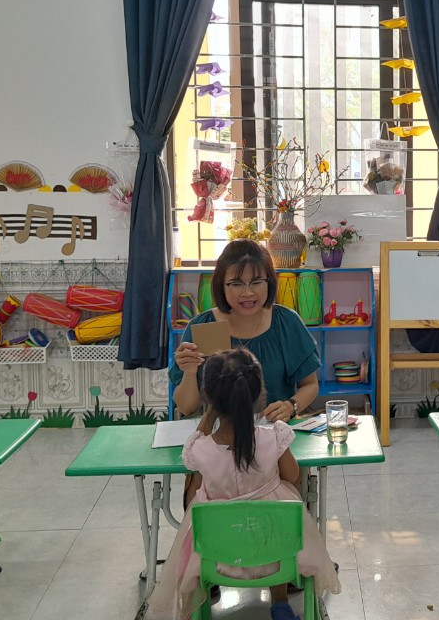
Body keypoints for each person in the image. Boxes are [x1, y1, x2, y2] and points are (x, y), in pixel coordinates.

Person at [150, 348, 340, 620]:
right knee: (274, 525)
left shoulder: (200, 450)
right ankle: (280, 604)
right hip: (279, 557)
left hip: (219, 559)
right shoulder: (274, 437)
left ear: (208, 397)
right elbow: (293, 476)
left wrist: (210, 414)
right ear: (259, 395)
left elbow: (192, 490)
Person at [170, 240, 319, 422]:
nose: (248, 293)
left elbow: (310, 384)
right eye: (236, 284)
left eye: (256, 282)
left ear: (269, 282)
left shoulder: (286, 322)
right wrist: (189, 371)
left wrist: (291, 406)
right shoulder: (203, 326)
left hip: (275, 430)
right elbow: (186, 407)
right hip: (221, 434)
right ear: (221, 286)